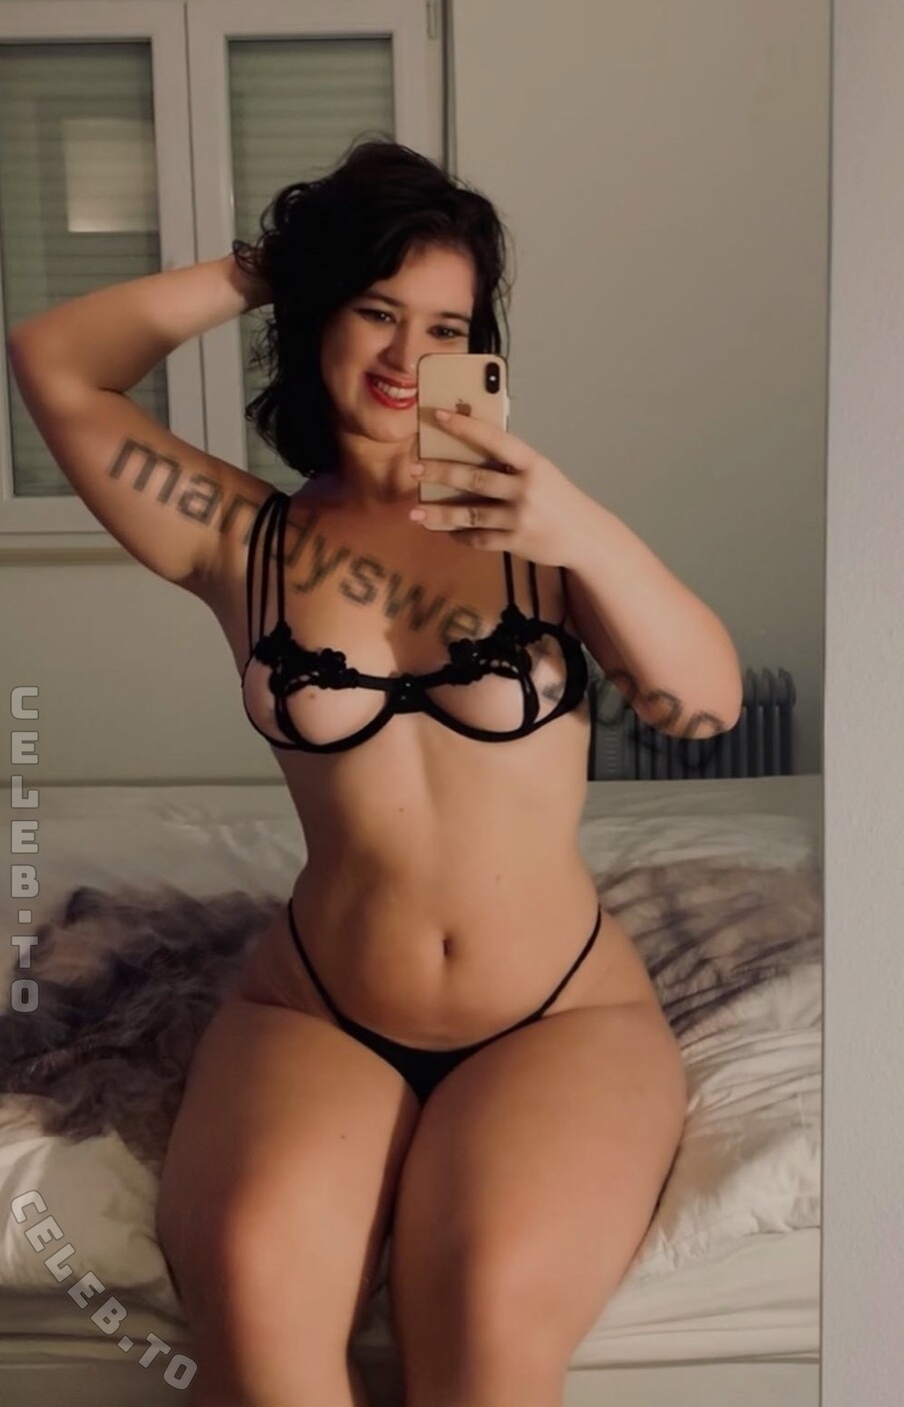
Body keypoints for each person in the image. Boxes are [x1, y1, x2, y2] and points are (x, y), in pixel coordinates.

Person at [9, 139, 737, 1407]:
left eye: (445, 327)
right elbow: (55, 359)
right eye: (375, 309)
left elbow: (702, 705)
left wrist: (585, 531)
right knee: (255, 1316)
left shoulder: (537, 531)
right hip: (317, 1011)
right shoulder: (242, 536)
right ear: (315, 322)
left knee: (485, 1328)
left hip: (554, 1016)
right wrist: (277, 261)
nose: (407, 354)